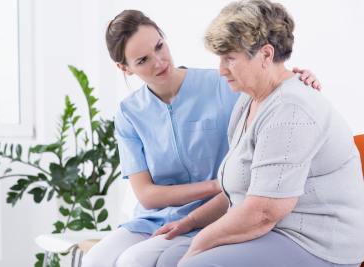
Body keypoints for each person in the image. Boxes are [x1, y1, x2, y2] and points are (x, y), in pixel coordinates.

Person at [81, 8, 321, 267]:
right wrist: (220, 184)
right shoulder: (129, 112)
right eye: (143, 60)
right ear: (124, 68)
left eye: (160, 47)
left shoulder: (223, 85)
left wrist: (299, 78)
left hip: (214, 213)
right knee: (95, 259)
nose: (159, 62)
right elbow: (148, 196)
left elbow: (273, 93)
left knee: (133, 261)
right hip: (151, 219)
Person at [153, 1, 364, 267]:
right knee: (168, 258)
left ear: (266, 55)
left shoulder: (291, 108)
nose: (221, 70)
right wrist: (189, 223)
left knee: (193, 264)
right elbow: (241, 190)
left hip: (316, 243)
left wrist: (199, 244)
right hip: (274, 231)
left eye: (230, 58)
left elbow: (264, 212)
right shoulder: (249, 99)